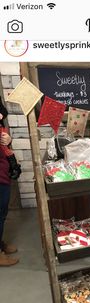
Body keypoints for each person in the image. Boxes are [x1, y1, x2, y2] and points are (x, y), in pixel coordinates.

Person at [0, 96, 19, 266]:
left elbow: (5, 150)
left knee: (2, 213)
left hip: (3, 175)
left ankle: (0, 243)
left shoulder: (1, 127)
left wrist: (9, 141)